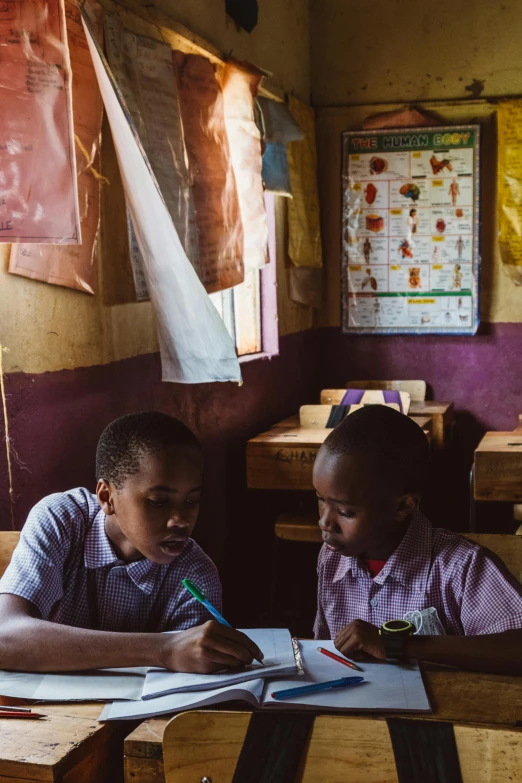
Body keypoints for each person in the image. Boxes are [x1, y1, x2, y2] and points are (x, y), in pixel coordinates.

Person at [0, 412, 262, 673]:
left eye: (191, 501)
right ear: (107, 497)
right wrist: (163, 649)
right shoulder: (62, 520)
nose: (180, 520)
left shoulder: (194, 575)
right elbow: (5, 635)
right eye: (159, 502)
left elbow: (187, 684)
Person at [313, 406, 522, 675]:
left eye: (346, 512)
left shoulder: (460, 567)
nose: (325, 522)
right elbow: (325, 649)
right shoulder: (331, 559)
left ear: (403, 506)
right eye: (320, 500)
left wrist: (400, 644)